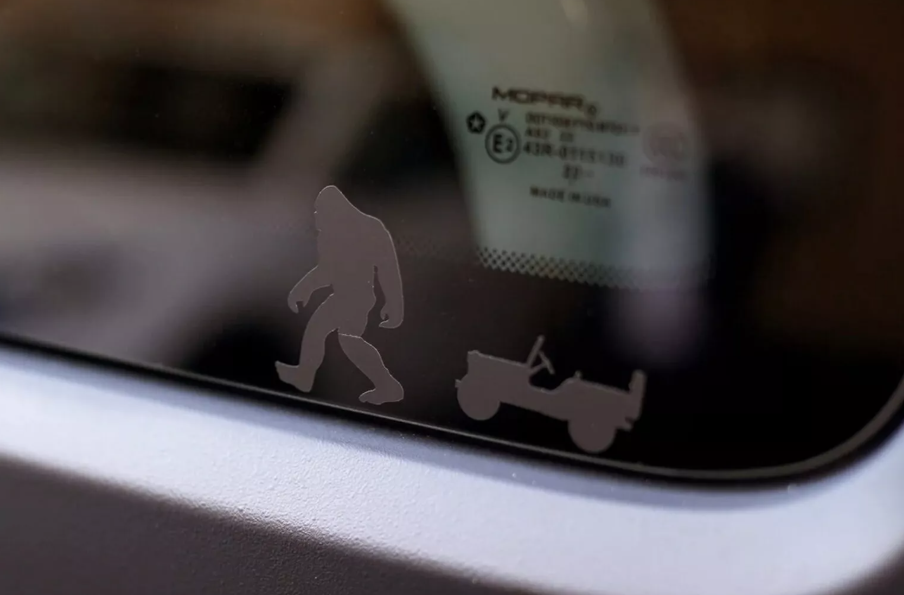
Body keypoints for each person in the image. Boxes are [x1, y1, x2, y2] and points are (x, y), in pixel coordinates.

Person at [275, 186, 405, 404]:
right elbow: (326, 271)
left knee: (346, 340)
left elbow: (387, 268)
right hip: (342, 296)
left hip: (358, 298)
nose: (316, 217)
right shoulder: (328, 236)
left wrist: (394, 304)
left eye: (320, 211)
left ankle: (387, 385)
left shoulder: (370, 229)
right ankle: (305, 375)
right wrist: (303, 288)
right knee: (320, 332)